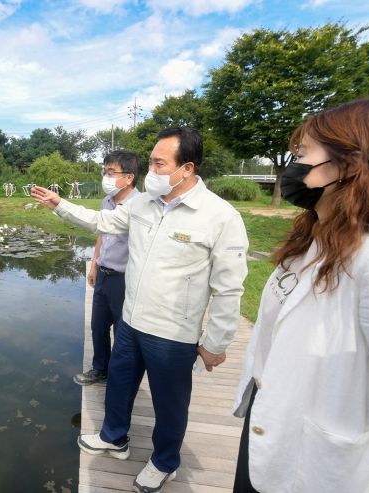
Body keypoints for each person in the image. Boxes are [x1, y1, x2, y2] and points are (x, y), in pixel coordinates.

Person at [32, 127, 249, 493]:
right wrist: (59, 205)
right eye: (150, 162)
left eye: (159, 163)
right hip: (131, 321)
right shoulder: (143, 204)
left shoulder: (219, 216)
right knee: (119, 383)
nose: (151, 170)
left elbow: (228, 288)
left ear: (187, 168)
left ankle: (165, 462)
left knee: (170, 403)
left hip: (173, 332)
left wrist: (217, 341)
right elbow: (103, 222)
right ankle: (114, 437)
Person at [232, 98, 369, 493]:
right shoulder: (316, 238)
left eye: (302, 154)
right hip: (271, 424)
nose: (292, 166)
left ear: (351, 164)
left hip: (322, 466)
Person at [73, 150, 140, 386]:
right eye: (105, 171)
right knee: (98, 326)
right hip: (103, 273)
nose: (106, 176)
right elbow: (102, 234)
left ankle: (120, 375)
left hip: (124, 278)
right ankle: (100, 368)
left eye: (111, 172)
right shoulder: (107, 202)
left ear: (129, 177)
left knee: (122, 330)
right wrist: (93, 265)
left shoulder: (140, 206)